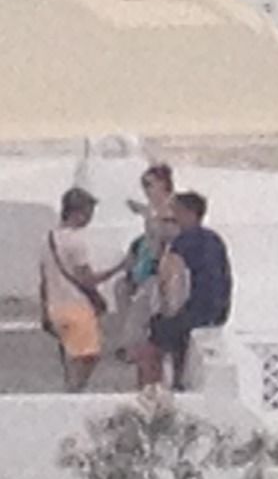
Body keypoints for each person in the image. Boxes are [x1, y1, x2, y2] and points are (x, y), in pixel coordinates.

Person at [144, 191, 233, 393]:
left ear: (189, 213)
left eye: (176, 212)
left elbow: (172, 283)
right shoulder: (214, 240)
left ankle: (152, 391)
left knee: (150, 347)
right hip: (216, 312)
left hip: (192, 311)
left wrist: (165, 313)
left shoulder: (183, 242)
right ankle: (177, 381)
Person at [105, 164, 178, 386]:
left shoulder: (169, 213)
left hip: (159, 277)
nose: (146, 190)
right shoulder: (154, 213)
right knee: (123, 292)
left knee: (142, 310)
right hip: (143, 274)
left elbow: (160, 245)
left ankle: (130, 347)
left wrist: (149, 218)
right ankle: (132, 348)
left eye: (149, 185)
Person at [39, 187, 107, 393]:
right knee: (88, 356)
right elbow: (86, 279)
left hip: (55, 306)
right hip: (76, 306)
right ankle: (73, 395)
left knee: (70, 357)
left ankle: (71, 390)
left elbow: (43, 280)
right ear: (80, 212)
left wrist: (44, 311)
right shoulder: (76, 241)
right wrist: (118, 269)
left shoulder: (47, 239)